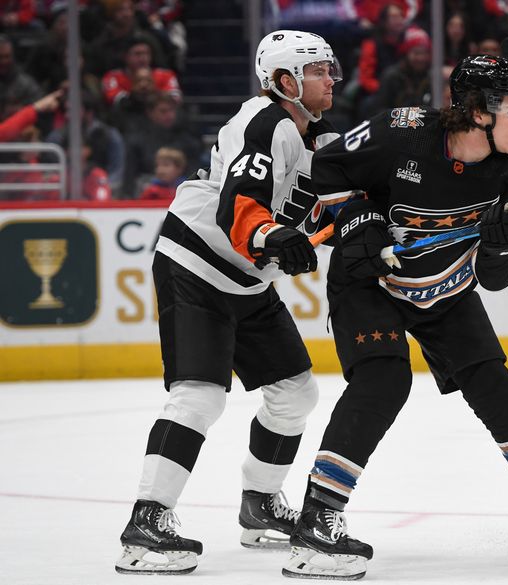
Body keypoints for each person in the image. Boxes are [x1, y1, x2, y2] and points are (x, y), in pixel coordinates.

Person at [284, 51, 508, 580]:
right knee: (383, 379)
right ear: (476, 110)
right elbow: (327, 169)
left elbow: (495, 277)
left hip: (447, 288)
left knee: (495, 384)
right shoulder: (403, 133)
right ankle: (319, 519)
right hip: (371, 281)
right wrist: (361, 219)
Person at [114, 29, 344, 575]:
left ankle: (260, 506)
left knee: (294, 394)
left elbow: (324, 211)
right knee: (199, 397)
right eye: (318, 71)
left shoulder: (310, 134)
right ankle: (146, 523)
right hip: (195, 265)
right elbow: (239, 207)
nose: (330, 79)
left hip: (246, 280)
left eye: (329, 69)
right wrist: (270, 237)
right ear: (285, 81)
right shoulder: (266, 123)